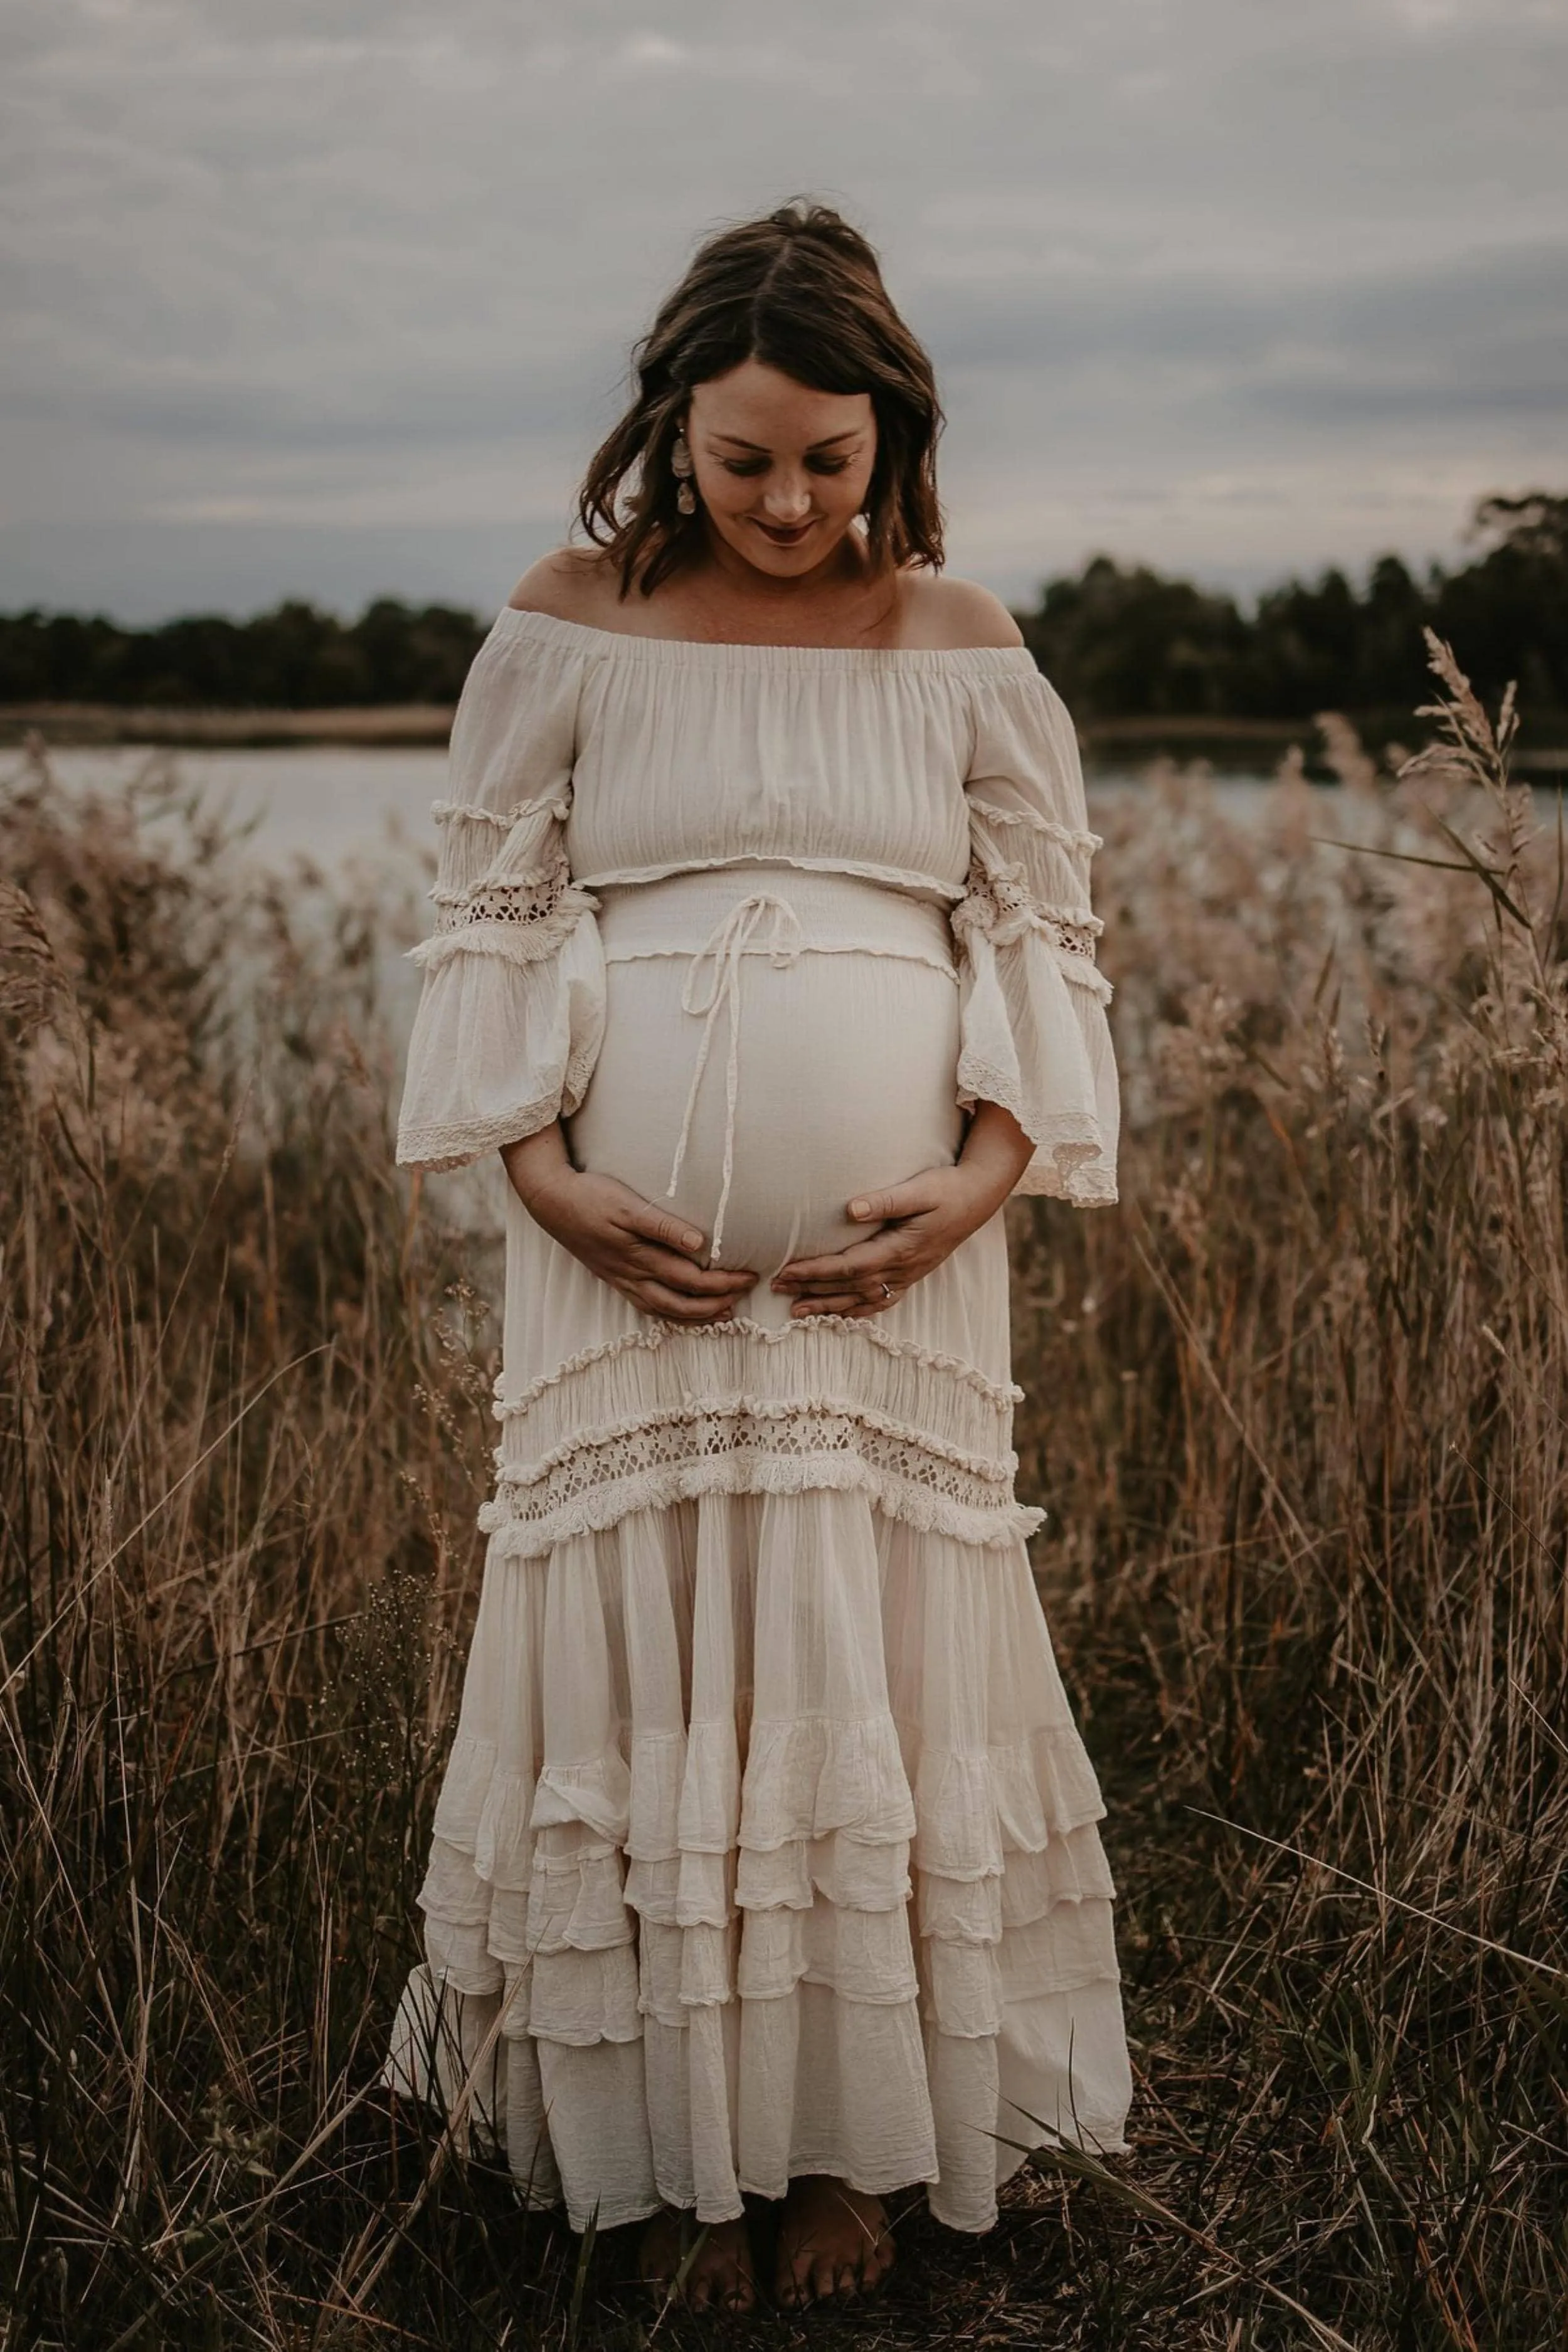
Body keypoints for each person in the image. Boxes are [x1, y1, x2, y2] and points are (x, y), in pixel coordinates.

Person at [383, 199, 1131, 2316]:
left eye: (830, 456)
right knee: (657, 1654)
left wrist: (978, 1183)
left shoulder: (967, 639)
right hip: (621, 1276)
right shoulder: (568, 620)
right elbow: (492, 917)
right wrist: (540, 1175)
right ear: (671, 436)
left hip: (891, 1289)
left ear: (891, 430)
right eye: (745, 461)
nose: (791, 499)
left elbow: (1039, 940)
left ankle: (839, 2149)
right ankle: (673, 2165)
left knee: (855, 1664)